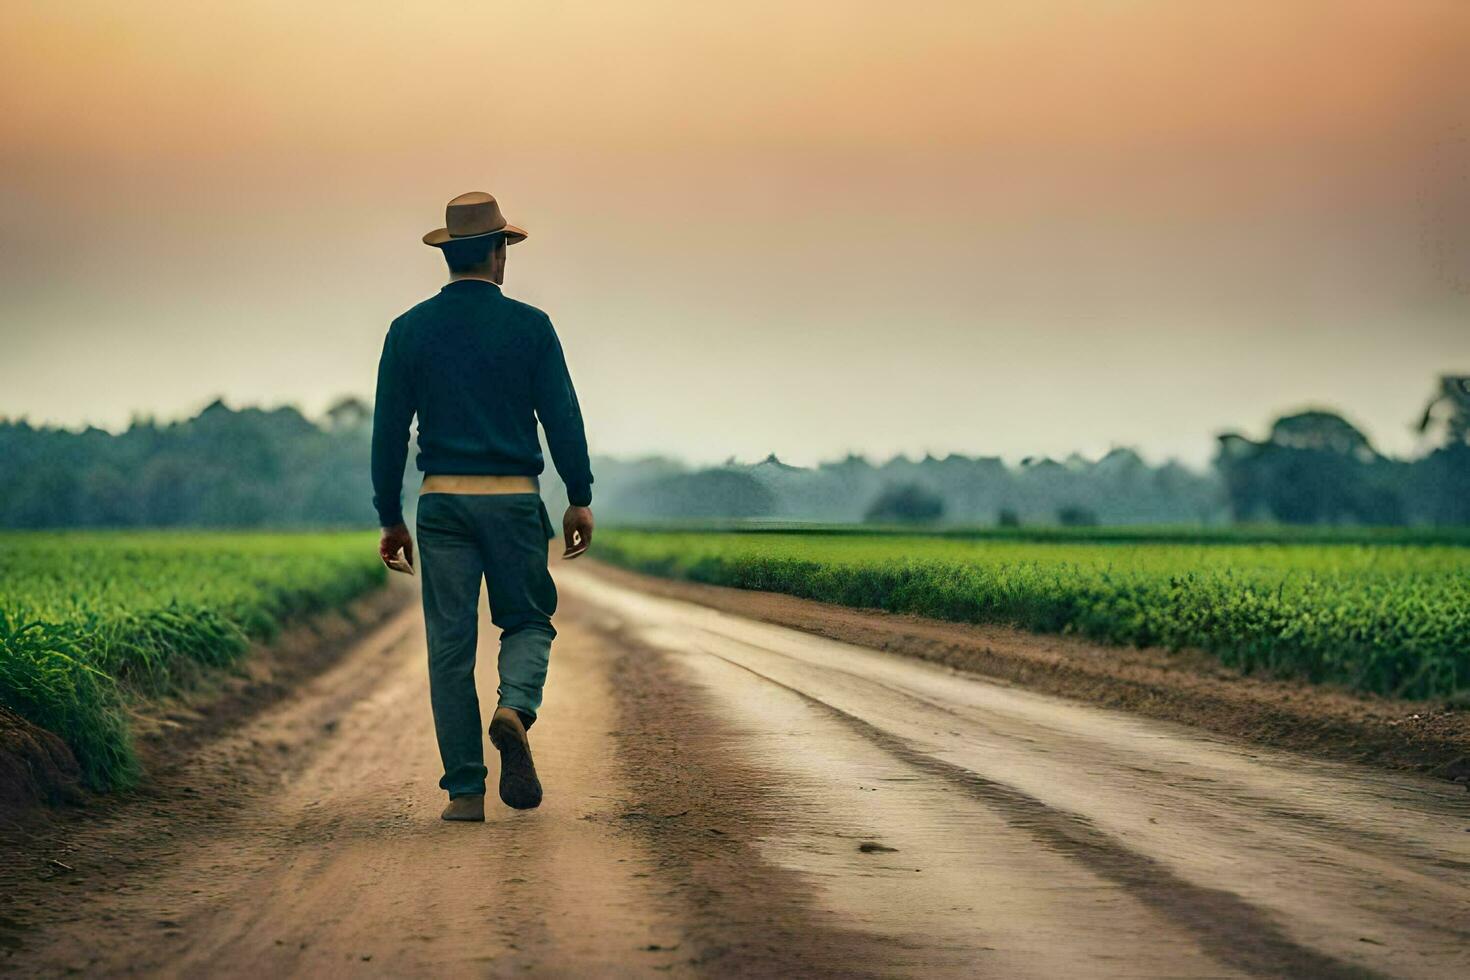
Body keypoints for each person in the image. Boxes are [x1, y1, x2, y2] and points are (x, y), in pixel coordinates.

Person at [371, 191, 594, 821]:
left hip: (441, 504)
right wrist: (579, 497)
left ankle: (466, 792)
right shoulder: (531, 326)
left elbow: (389, 432)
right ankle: (514, 708)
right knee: (526, 621)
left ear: (449, 255)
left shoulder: (407, 331)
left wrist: (389, 516)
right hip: (515, 502)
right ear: (498, 254)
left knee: (449, 646)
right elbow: (562, 419)